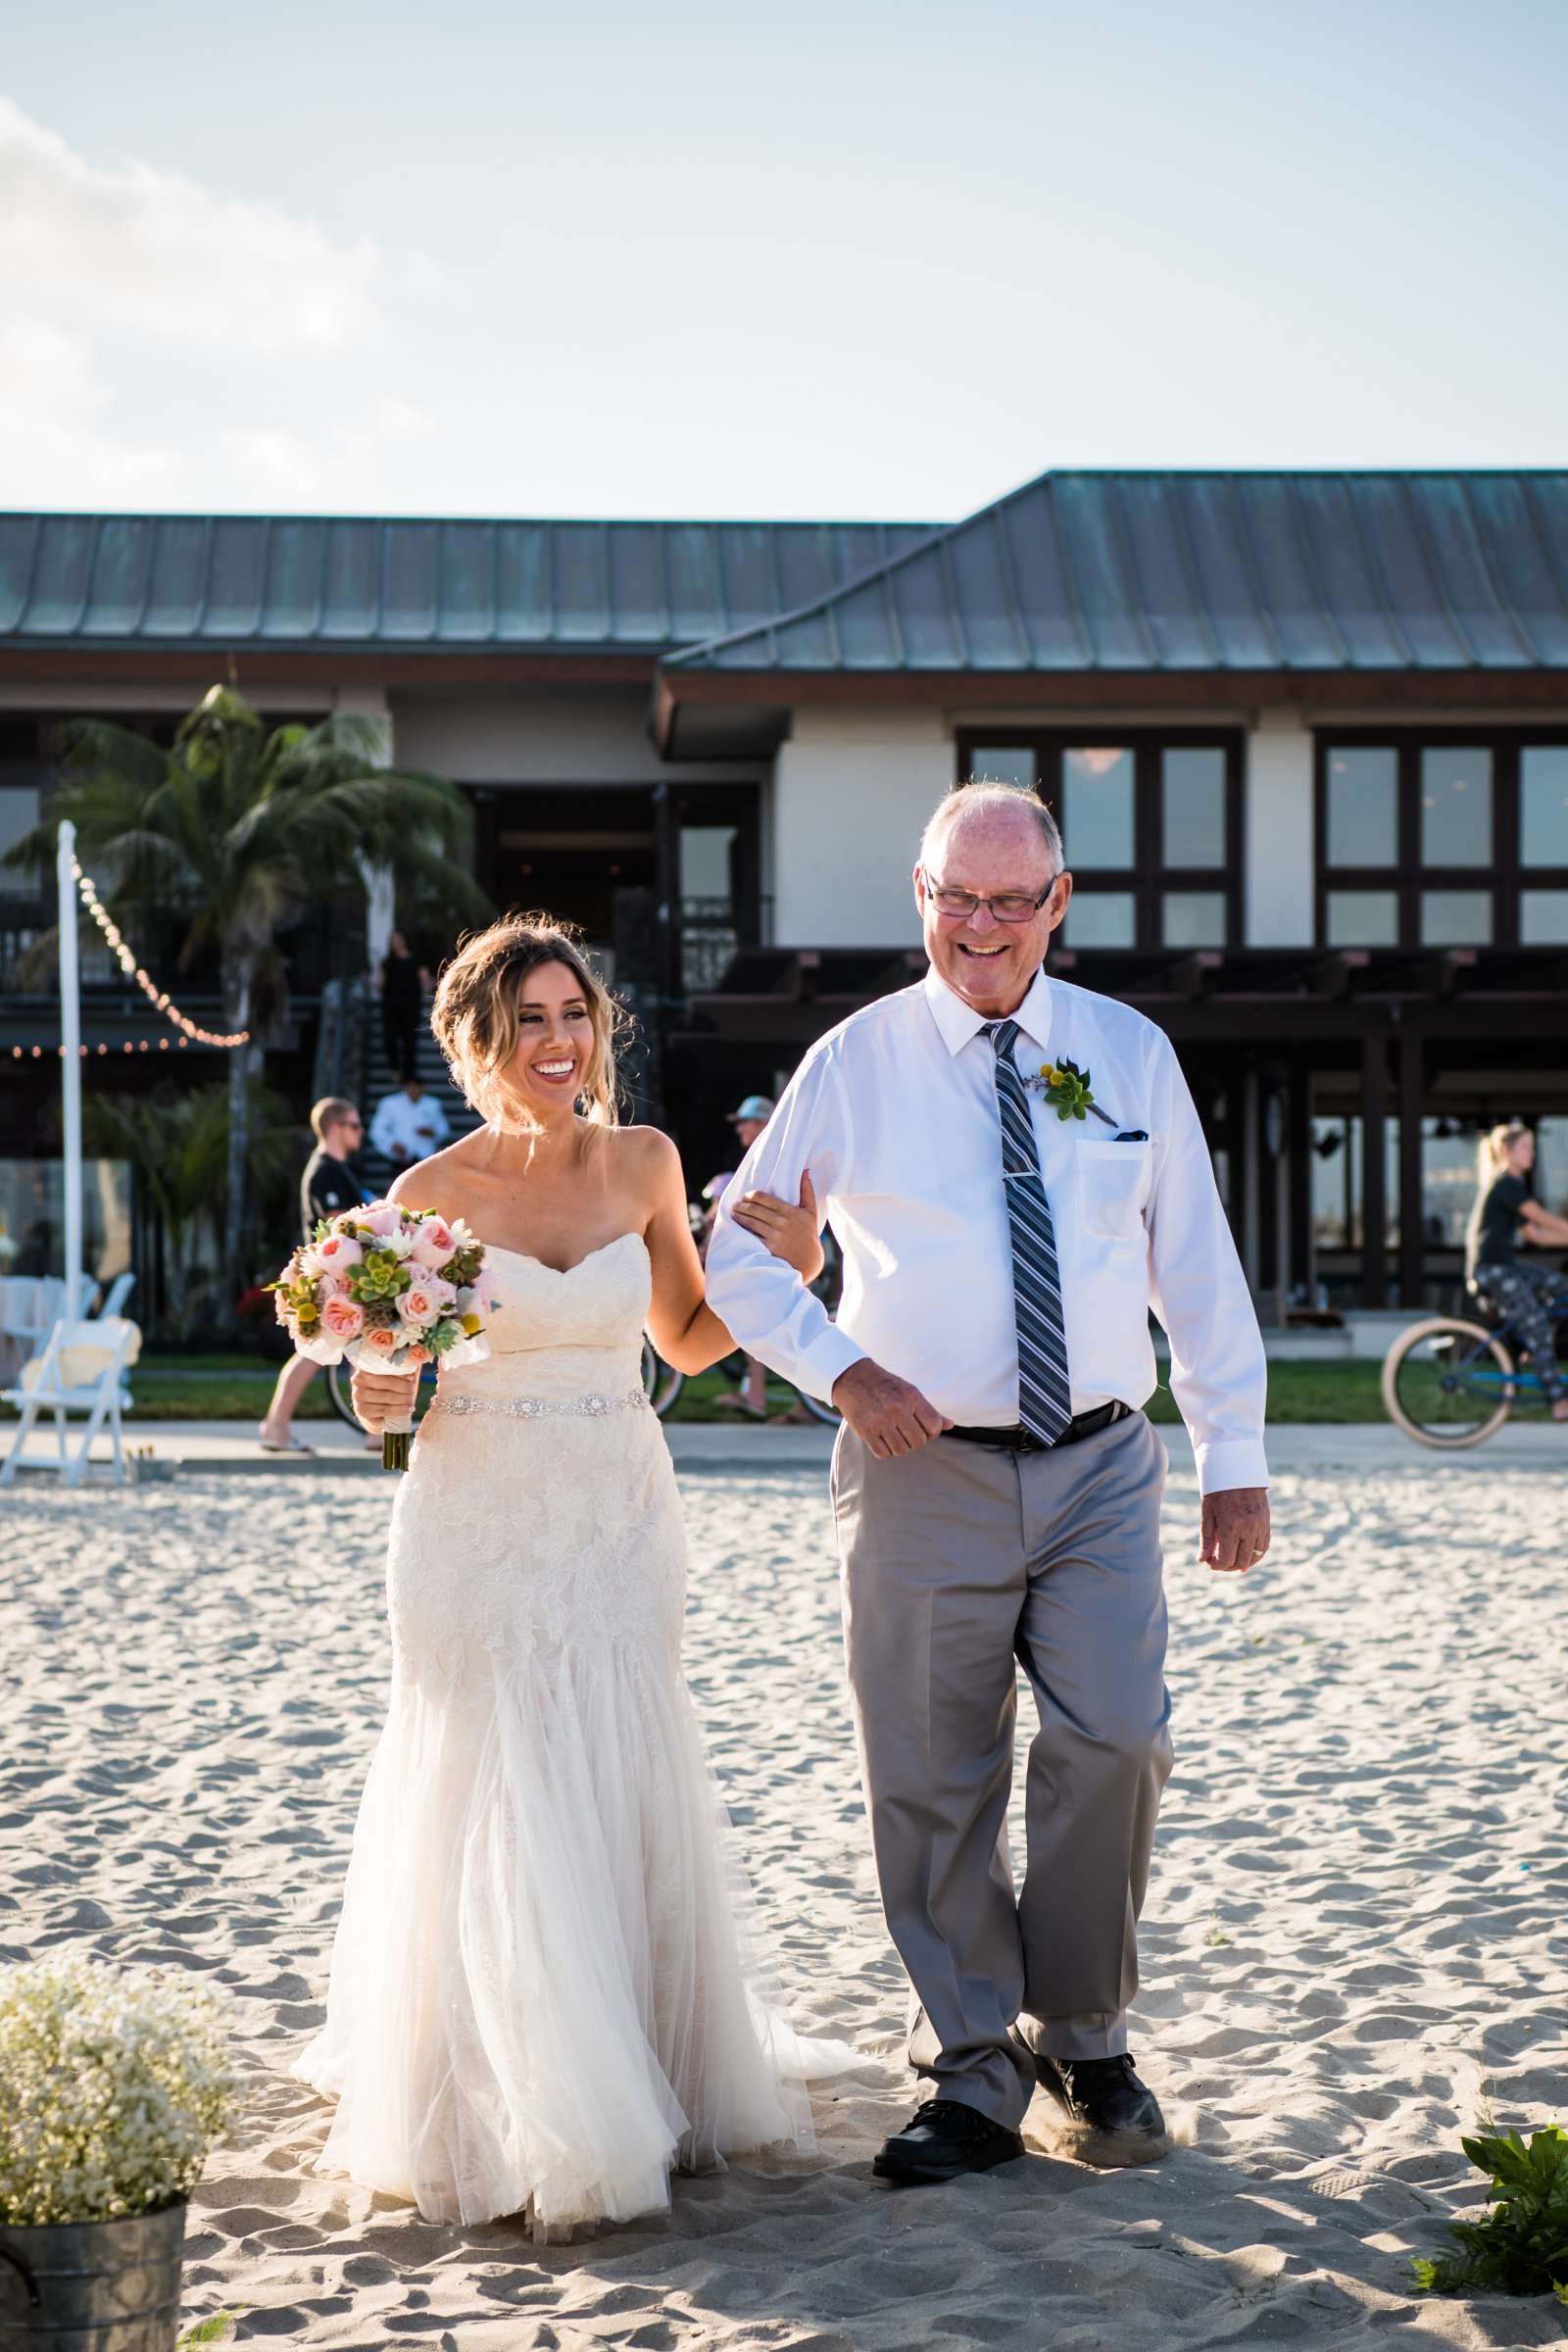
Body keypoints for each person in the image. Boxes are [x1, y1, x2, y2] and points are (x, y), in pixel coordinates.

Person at [707, 779, 1270, 2187]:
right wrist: (841, 1369)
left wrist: (1231, 1452)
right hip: (921, 1470)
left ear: (1057, 906)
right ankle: (970, 2069)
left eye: (1012, 900)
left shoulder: (1125, 1053)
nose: (983, 926)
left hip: (1097, 1464)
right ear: (920, 897)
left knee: (1120, 1740)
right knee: (931, 1773)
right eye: (958, 897)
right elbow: (735, 1256)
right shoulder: (854, 1062)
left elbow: (1190, 1259)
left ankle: (1084, 2034)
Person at [297, 915, 853, 2233]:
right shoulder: (425, 1194)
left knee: (615, 1749)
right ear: (477, 1043)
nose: (558, 1043)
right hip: (471, 1510)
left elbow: (688, 1337)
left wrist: (797, 1272)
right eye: (528, 1022)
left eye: (575, 1016)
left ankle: (636, 2067)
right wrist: (374, 1388)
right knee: (492, 1767)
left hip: (615, 1502)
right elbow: (385, 1391)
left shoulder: (649, 1162)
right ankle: (496, 2091)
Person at [258, 1097, 367, 1455]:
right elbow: (340, 1226)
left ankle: (375, 1430)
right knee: (314, 1351)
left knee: (349, 1349)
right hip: (333, 1278)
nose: (360, 1131)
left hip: (339, 1276)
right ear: (335, 1128)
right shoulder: (324, 1170)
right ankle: (276, 1426)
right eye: (353, 1125)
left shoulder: (336, 1168)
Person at [1466, 1120, 1568, 1420]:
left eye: (1532, 1148)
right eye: (1526, 1147)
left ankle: (1534, 1347)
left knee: (1561, 1287)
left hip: (1507, 1267)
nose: (1532, 1154)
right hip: (1491, 1271)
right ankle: (1559, 1401)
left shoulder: (1511, 1187)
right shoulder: (1505, 1184)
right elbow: (1541, 1218)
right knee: (1536, 1323)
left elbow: (1535, 1234)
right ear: (1505, 1151)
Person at [703, 1095, 778, 1418]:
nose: (740, 1130)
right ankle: (756, 1393)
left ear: (761, 1124)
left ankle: (756, 1397)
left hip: (777, 1251)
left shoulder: (770, 1158)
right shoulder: (766, 1157)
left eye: (746, 1122)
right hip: (770, 1249)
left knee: (752, 1316)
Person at [376, 928, 429, 1081]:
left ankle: (408, 1074)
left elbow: (424, 979)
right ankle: (395, 1069)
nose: (396, 943)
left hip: (411, 1006)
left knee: (410, 1040)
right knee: (389, 1038)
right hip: (391, 1006)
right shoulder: (387, 962)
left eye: (398, 939)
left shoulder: (416, 960)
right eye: (393, 940)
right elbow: (380, 983)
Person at [369, 1073, 450, 1166]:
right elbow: (377, 1130)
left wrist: (432, 1132)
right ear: (405, 1087)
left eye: (417, 1087)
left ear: (423, 1088)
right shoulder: (390, 1103)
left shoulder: (433, 1104)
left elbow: (444, 1130)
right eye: (411, 1087)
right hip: (400, 1158)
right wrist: (392, 1144)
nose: (414, 1090)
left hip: (425, 1158)